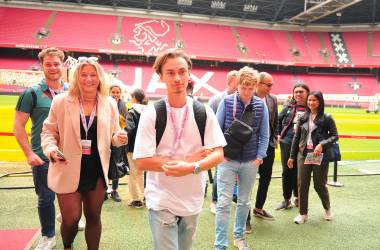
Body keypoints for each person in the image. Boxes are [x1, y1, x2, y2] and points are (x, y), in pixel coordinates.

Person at [133, 48, 226, 250]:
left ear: (189, 73)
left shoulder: (203, 111)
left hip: (192, 198)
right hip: (161, 198)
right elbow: (142, 161)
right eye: (170, 72)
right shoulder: (152, 113)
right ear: (160, 76)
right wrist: (191, 161)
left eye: (182, 71)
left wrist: (191, 167)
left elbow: (219, 154)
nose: (177, 78)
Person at [41, 58, 128, 250]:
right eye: (84, 75)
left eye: (93, 74)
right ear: (76, 77)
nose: (89, 79)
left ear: (100, 77)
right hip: (67, 166)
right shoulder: (61, 101)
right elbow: (48, 132)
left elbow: (113, 134)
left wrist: (118, 138)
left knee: (94, 216)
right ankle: (68, 246)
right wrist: (51, 150)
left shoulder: (109, 103)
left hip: (96, 169)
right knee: (71, 218)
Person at [14, 47, 67, 250]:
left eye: (56, 63)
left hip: (68, 154)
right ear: (42, 66)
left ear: (63, 65)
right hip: (43, 154)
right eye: (48, 64)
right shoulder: (32, 93)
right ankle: (48, 235)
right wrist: (29, 153)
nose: (53, 68)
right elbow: (18, 125)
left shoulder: (71, 89)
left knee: (71, 191)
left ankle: (66, 216)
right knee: (46, 197)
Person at [214, 66, 269, 250]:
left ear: (255, 87)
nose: (246, 92)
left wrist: (259, 157)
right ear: (237, 85)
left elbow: (265, 134)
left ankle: (239, 237)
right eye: (243, 87)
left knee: (244, 202)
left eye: (250, 88)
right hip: (227, 161)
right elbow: (216, 131)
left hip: (250, 161)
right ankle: (220, 244)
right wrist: (220, 155)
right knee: (223, 203)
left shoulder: (261, 105)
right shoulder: (227, 102)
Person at [288, 91, 338, 224]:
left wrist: (322, 144)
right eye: (309, 100)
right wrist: (292, 156)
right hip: (303, 154)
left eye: (314, 100)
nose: (311, 103)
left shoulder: (327, 118)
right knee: (302, 185)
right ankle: (303, 214)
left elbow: (335, 136)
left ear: (320, 102)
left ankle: (327, 208)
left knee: (319, 185)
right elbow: (296, 137)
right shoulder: (303, 117)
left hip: (317, 155)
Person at [208, 70, 238, 214]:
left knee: (233, 171)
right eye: (238, 80)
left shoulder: (241, 99)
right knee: (220, 172)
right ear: (231, 81)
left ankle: (232, 196)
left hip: (237, 144)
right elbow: (209, 123)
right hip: (220, 143)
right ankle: (214, 201)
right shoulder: (216, 99)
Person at [276, 83, 310, 210]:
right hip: (287, 142)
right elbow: (278, 120)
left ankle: (298, 198)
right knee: (287, 170)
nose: (298, 94)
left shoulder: (311, 106)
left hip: (304, 143)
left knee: (300, 171)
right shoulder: (288, 106)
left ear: (307, 93)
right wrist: (279, 134)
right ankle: (286, 199)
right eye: (296, 92)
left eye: (301, 92)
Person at [250, 72, 278, 221]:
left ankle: (259, 208)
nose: (271, 88)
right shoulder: (247, 97)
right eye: (268, 85)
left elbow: (275, 122)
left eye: (271, 84)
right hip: (250, 148)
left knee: (265, 179)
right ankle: (245, 218)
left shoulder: (272, 99)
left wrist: (275, 138)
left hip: (268, 146)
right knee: (247, 182)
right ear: (258, 84)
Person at [125, 88, 148, 208]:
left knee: (133, 174)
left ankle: (136, 199)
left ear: (134, 98)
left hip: (133, 147)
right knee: (141, 173)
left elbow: (129, 129)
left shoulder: (132, 112)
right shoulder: (148, 111)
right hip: (145, 147)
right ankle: (145, 196)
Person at [107, 84, 128, 202]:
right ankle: (105, 189)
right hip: (106, 139)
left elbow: (125, 123)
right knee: (104, 164)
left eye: (117, 92)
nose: (115, 94)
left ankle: (115, 190)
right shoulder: (105, 104)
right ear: (109, 92)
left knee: (116, 164)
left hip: (118, 140)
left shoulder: (123, 105)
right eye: (113, 92)